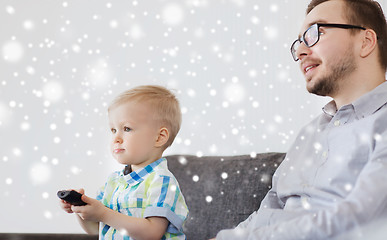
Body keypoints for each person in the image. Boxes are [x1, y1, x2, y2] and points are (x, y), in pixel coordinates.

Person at [212, 0, 387, 239]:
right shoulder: (309, 134)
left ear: (365, 42)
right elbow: (267, 211)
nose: (300, 51)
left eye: (317, 32)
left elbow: (362, 219)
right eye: (299, 41)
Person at [59, 85, 189, 240]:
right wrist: (80, 210)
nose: (116, 138)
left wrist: (103, 213)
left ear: (159, 137)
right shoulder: (114, 182)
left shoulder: (162, 181)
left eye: (126, 129)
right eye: (113, 130)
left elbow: (152, 233)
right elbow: (95, 230)